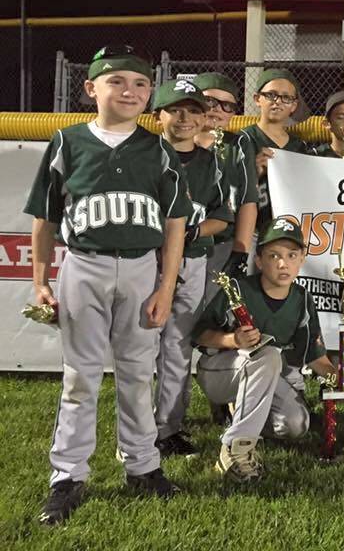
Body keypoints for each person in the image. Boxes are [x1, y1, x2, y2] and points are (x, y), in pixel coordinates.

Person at [25, 45, 192, 525]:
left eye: (140, 84)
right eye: (116, 81)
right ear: (90, 88)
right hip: (84, 265)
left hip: (141, 267)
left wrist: (165, 287)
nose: (130, 91)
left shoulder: (157, 148)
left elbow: (176, 223)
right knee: (80, 376)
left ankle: (142, 466)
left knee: (139, 373)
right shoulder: (67, 142)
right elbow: (45, 218)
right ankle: (68, 475)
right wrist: (38, 280)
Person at [191, 217, 336, 482]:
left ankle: (241, 414)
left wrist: (342, 377)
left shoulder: (302, 298)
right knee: (268, 355)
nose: (283, 263)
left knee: (295, 425)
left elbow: (314, 357)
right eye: (274, 255)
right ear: (258, 261)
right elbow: (199, 333)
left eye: (292, 255)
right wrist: (232, 340)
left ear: (302, 259)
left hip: (266, 374)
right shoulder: (238, 289)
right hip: (221, 373)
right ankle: (234, 449)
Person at [151, 79, 233, 458]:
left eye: (194, 110)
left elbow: (222, 217)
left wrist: (191, 231)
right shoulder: (142, 155)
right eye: (175, 109)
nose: (185, 118)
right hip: (144, 261)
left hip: (192, 258)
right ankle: (135, 429)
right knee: (137, 346)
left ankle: (169, 428)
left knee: (177, 344)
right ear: (158, 116)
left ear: (204, 119)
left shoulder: (212, 163)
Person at [192, 72, 259, 295]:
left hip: (222, 243)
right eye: (210, 101)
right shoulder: (173, 141)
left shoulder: (237, 144)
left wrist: (241, 251)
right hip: (178, 239)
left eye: (227, 105)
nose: (218, 109)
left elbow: (248, 199)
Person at [238, 68, 313, 239]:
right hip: (253, 231)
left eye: (286, 98)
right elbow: (230, 191)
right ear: (258, 99)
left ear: (293, 106)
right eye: (271, 95)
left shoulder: (299, 146)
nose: (278, 102)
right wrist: (254, 173)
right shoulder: (244, 140)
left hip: (291, 231)